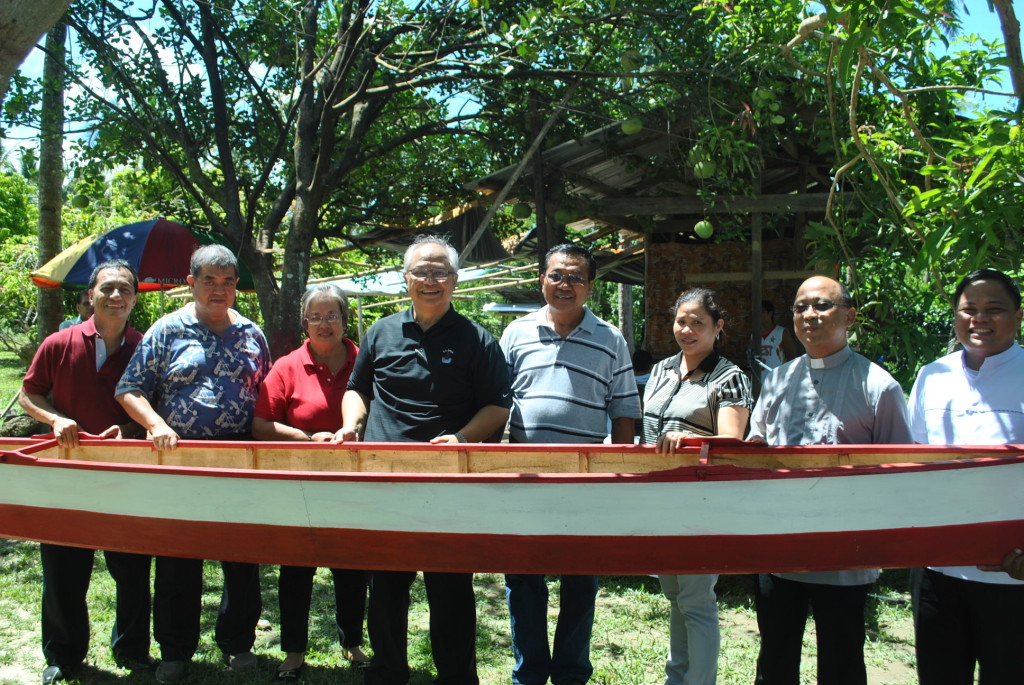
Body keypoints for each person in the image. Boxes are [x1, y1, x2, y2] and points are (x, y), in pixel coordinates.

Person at [338, 234, 512, 685]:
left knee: (450, 585)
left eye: (439, 271)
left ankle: (456, 677)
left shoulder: (477, 339)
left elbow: (498, 405)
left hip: (447, 482)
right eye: (421, 271)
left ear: (454, 280)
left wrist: (460, 437)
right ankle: (388, 671)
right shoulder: (381, 331)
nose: (430, 280)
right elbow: (358, 388)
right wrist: (352, 424)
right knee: (387, 586)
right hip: (386, 477)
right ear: (406, 278)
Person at [115, 244, 271, 684]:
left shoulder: (251, 334)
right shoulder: (166, 330)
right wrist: (155, 424)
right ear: (191, 282)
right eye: (209, 280)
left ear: (236, 286)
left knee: (241, 557)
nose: (219, 290)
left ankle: (238, 642)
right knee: (177, 559)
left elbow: (267, 396)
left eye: (227, 282)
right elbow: (130, 389)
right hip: (178, 460)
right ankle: (175, 649)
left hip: (239, 460)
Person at [747, 275, 912, 685]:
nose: (809, 315)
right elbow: (754, 453)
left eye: (822, 306)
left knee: (841, 658)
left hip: (844, 552)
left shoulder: (879, 385)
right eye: (801, 307)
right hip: (779, 545)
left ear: (850, 315)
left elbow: (899, 471)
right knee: (775, 655)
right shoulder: (778, 379)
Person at [499, 244, 641, 685]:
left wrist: (616, 476)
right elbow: (496, 402)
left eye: (576, 277)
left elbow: (623, 410)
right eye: (557, 275)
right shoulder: (515, 333)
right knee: (524, 582)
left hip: (585, 482)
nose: (565, 285)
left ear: (591, 287)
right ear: (541, 279)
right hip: (525, 481)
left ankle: (571, 674)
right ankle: (530, 672)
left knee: (580, 583)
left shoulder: (610, 338)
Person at [19, 260, 154, 684]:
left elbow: (156, 407)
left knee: (133, 567)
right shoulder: (59, 343)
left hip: (125, 472)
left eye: (125, 290)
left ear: (135, 298)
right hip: (66, 474)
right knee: (63, 566)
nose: (116, 296)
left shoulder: (146, 347)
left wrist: (130, 428)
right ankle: (63, 654)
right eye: (107, 288)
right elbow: (29, 393)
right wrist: (56, 419)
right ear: (89, 295)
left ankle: (132, 648)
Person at [908, 268, 1024, 684]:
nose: (980, 319)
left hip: (1012, 573)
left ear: (1018, 316)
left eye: (994, 310)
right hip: (937, 571)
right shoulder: (931, 376)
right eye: (969, 309)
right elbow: (913, 466)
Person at [252, 283, 368, 681]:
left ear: (344, 318)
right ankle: (294, 651)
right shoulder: (286, 366)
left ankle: (353, 642)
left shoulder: (365, 359)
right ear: (304, 322)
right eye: (315, 316)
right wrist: (303, 438)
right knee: (296, 569)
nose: (324, 323)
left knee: (352, 567)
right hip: (299, 482)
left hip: (354, 484)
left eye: (332, 315)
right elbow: (261, 423)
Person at [641, 288, 753, 685]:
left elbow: (732, 443)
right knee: (674, 595)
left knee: (696, 599)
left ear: (718, 327)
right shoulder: (660, 370)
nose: (686, 330)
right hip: (657, 497)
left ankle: (699, 681)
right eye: (681, 321)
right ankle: (678, 677)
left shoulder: (729, 377)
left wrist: (686, 441)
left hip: (699, 500)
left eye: (698, 323)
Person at [755, 300, 799, 379]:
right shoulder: (754, 335)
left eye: (762, 312)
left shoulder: (781, 333)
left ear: (770, 313)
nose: (758, 315)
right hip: (759, 380)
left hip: (778, 379)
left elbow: (791, 358)